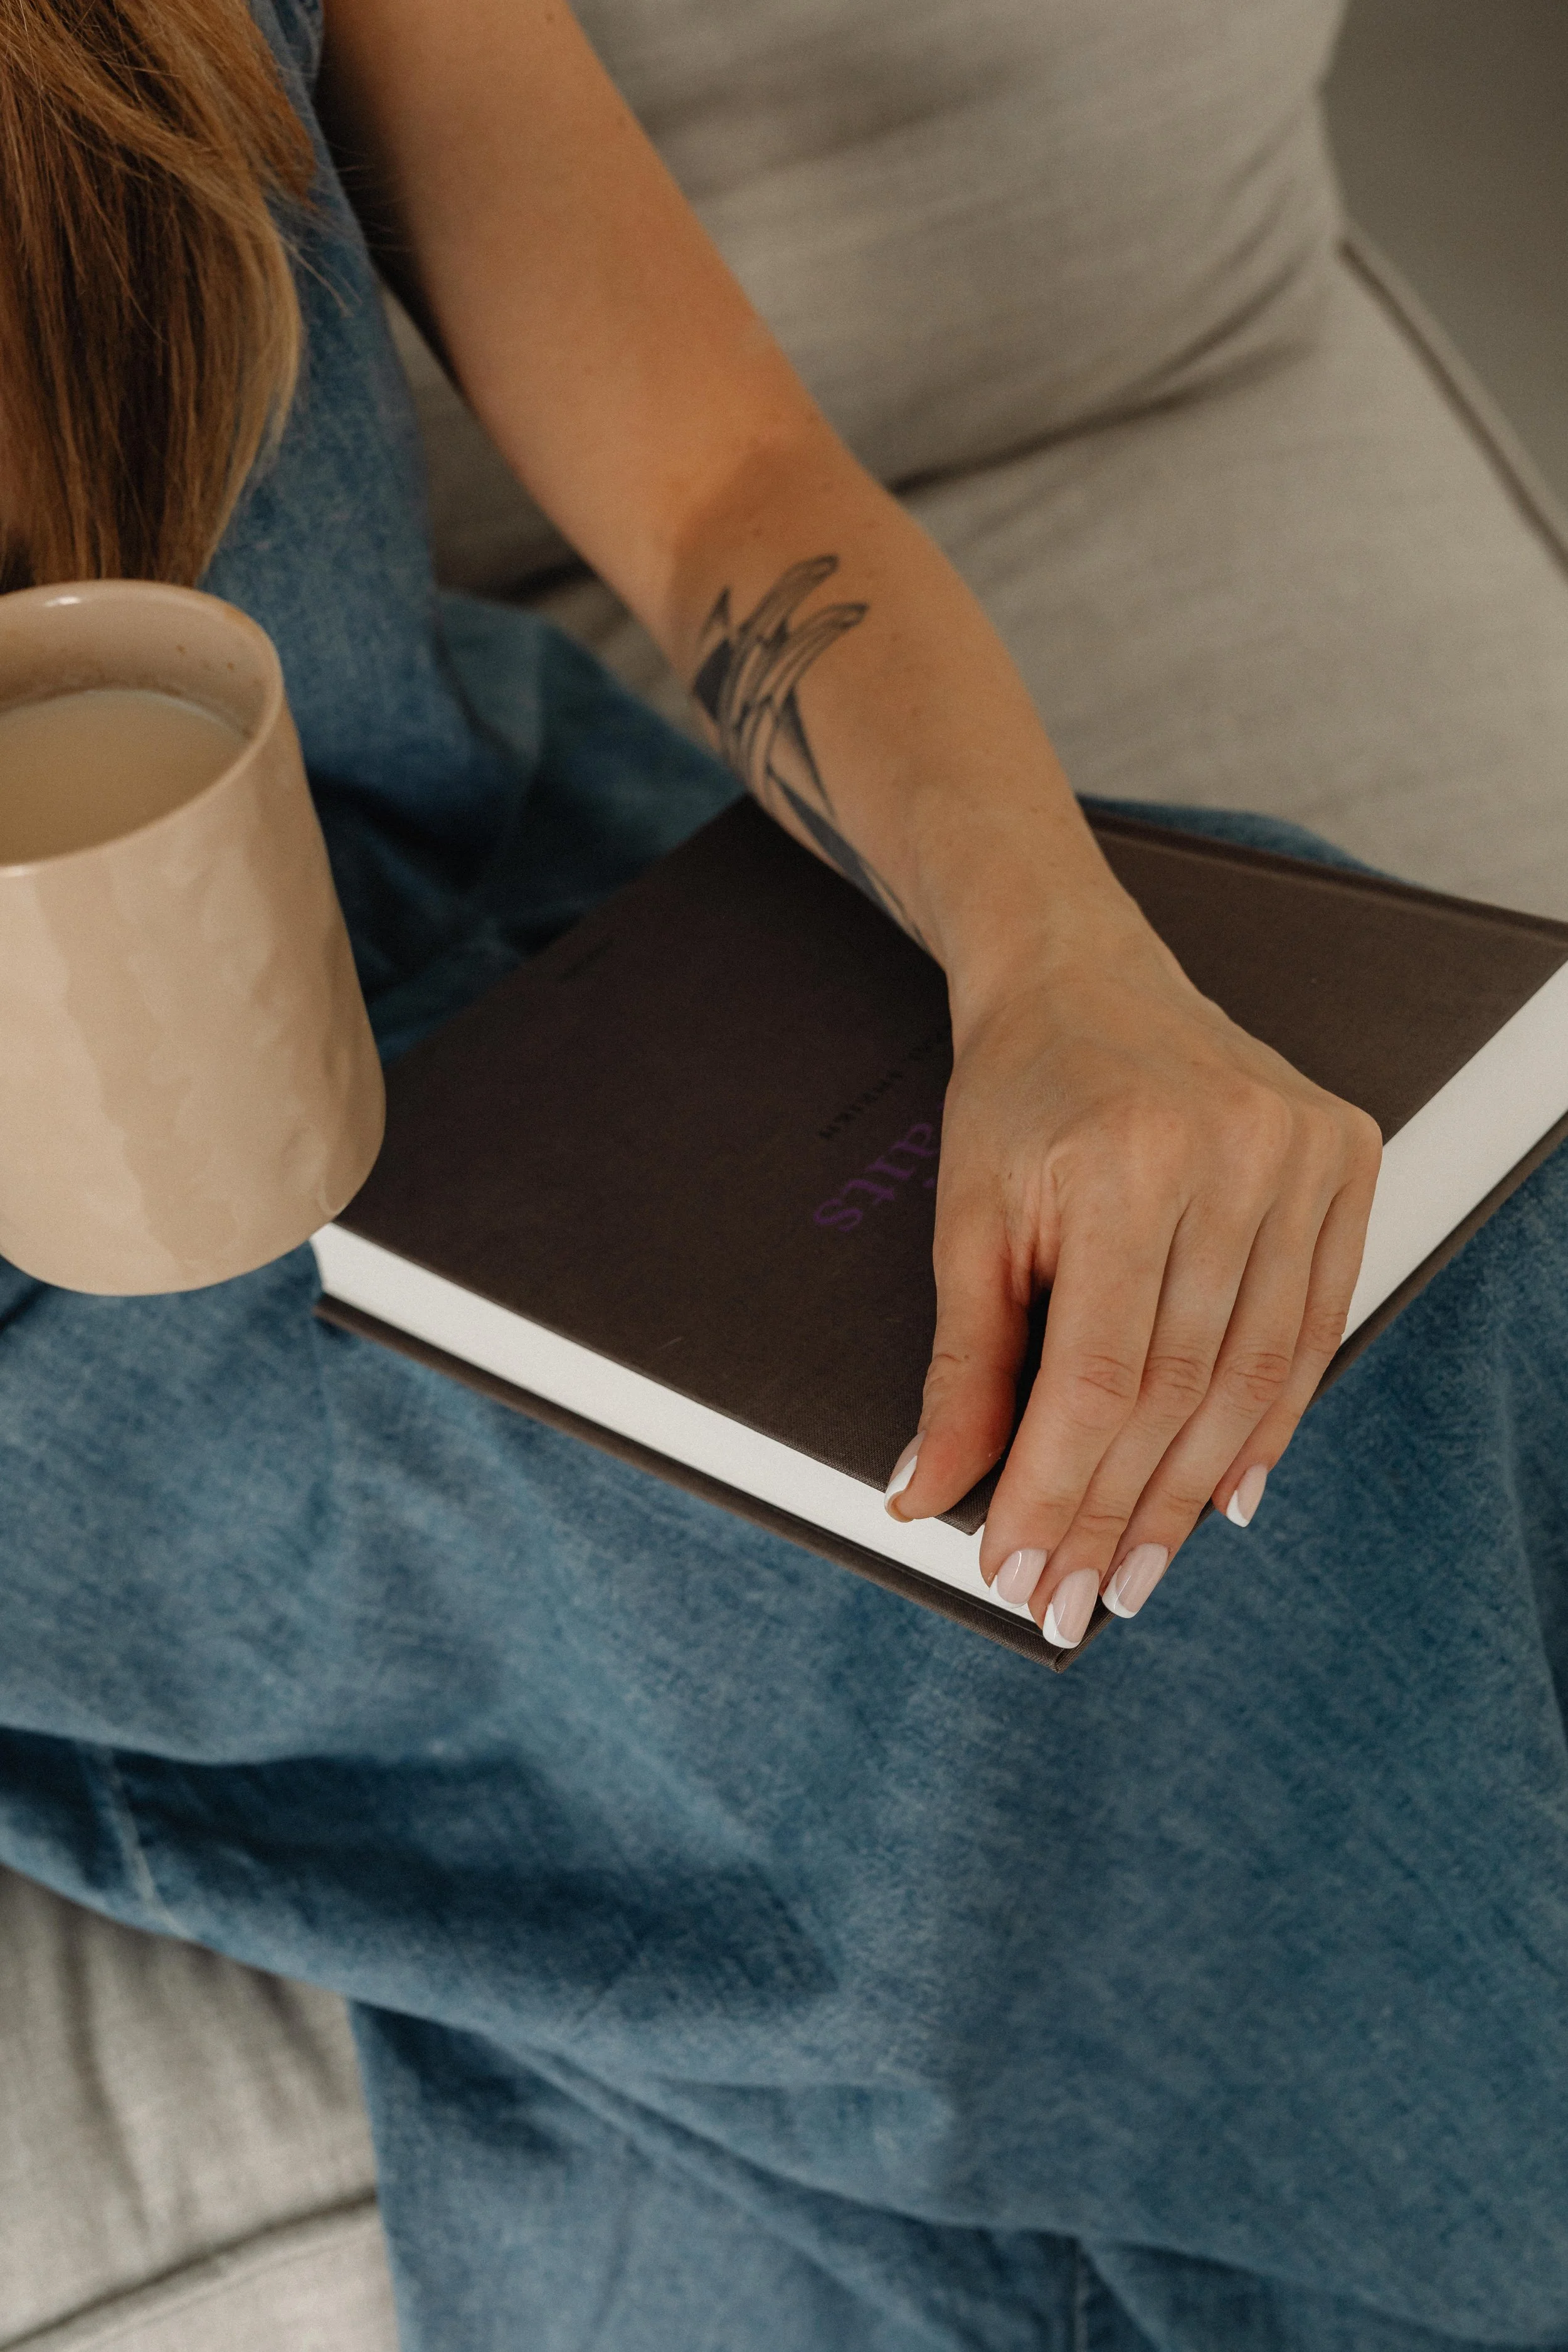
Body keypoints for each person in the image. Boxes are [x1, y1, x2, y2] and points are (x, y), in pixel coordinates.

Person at [0, 1, 1564, 2346]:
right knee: (1024, 1599)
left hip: (500, 919)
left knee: (1377, 1219)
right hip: (95, 1356)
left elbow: (727, 480)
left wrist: (1059, 968)